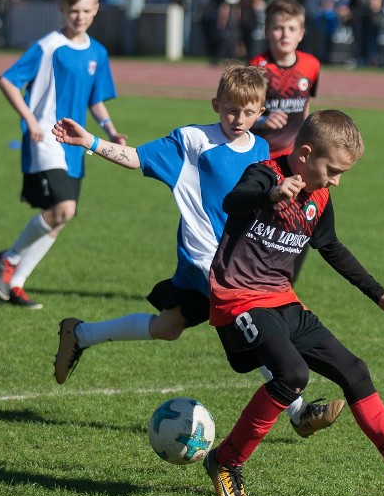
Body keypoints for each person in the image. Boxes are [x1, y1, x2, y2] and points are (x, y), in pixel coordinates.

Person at [203, 109, 384, 496]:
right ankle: (226, 461)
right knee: (293, 374)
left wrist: (379, 294)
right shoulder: (264, 174)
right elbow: (233, 200)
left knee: (355, 372)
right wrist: (271, 194)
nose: (335, 180)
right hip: (239, 298)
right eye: (331, 170)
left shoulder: (320, 196)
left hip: (282, 300)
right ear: (306, 153)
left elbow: (330, 246)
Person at [50, 65, 343, 438]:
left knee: (167, 327)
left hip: (242, 258)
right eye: (230, 110)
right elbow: (138, 157)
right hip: (206, 260)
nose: (238, 119)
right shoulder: (192, 140)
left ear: (261, 112)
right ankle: (299, 411)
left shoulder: (259, 147)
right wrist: (90, 141)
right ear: (215, 104)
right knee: (253, 321)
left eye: (249, 112)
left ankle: (81, 334)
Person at [0, 0, 126, 309]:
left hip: (74, 143)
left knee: (60, 219)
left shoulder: (98, 52)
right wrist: (31, 120)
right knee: (64, 209)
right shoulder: (48, 45)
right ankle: (8, 258)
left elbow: (96, 100)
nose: (79, 16)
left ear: (95, 11)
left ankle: (16, 284)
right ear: (62, 10)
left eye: (86, 10)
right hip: (46, 138)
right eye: (73, 10)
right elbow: (7, 80)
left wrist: (111, 131)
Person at [248, 0, 321, 284]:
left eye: (291, 28)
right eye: (278, 28)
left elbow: (305, 106)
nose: (284, 34)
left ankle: (283, 283)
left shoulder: (311, 65)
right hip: (263, 157)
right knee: (261, 222)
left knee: (299, 223)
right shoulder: (258, 66)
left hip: (295, 160)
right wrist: (263, 120)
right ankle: (253, 277)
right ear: (268, 31)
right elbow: (241, 112)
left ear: (301, 33)